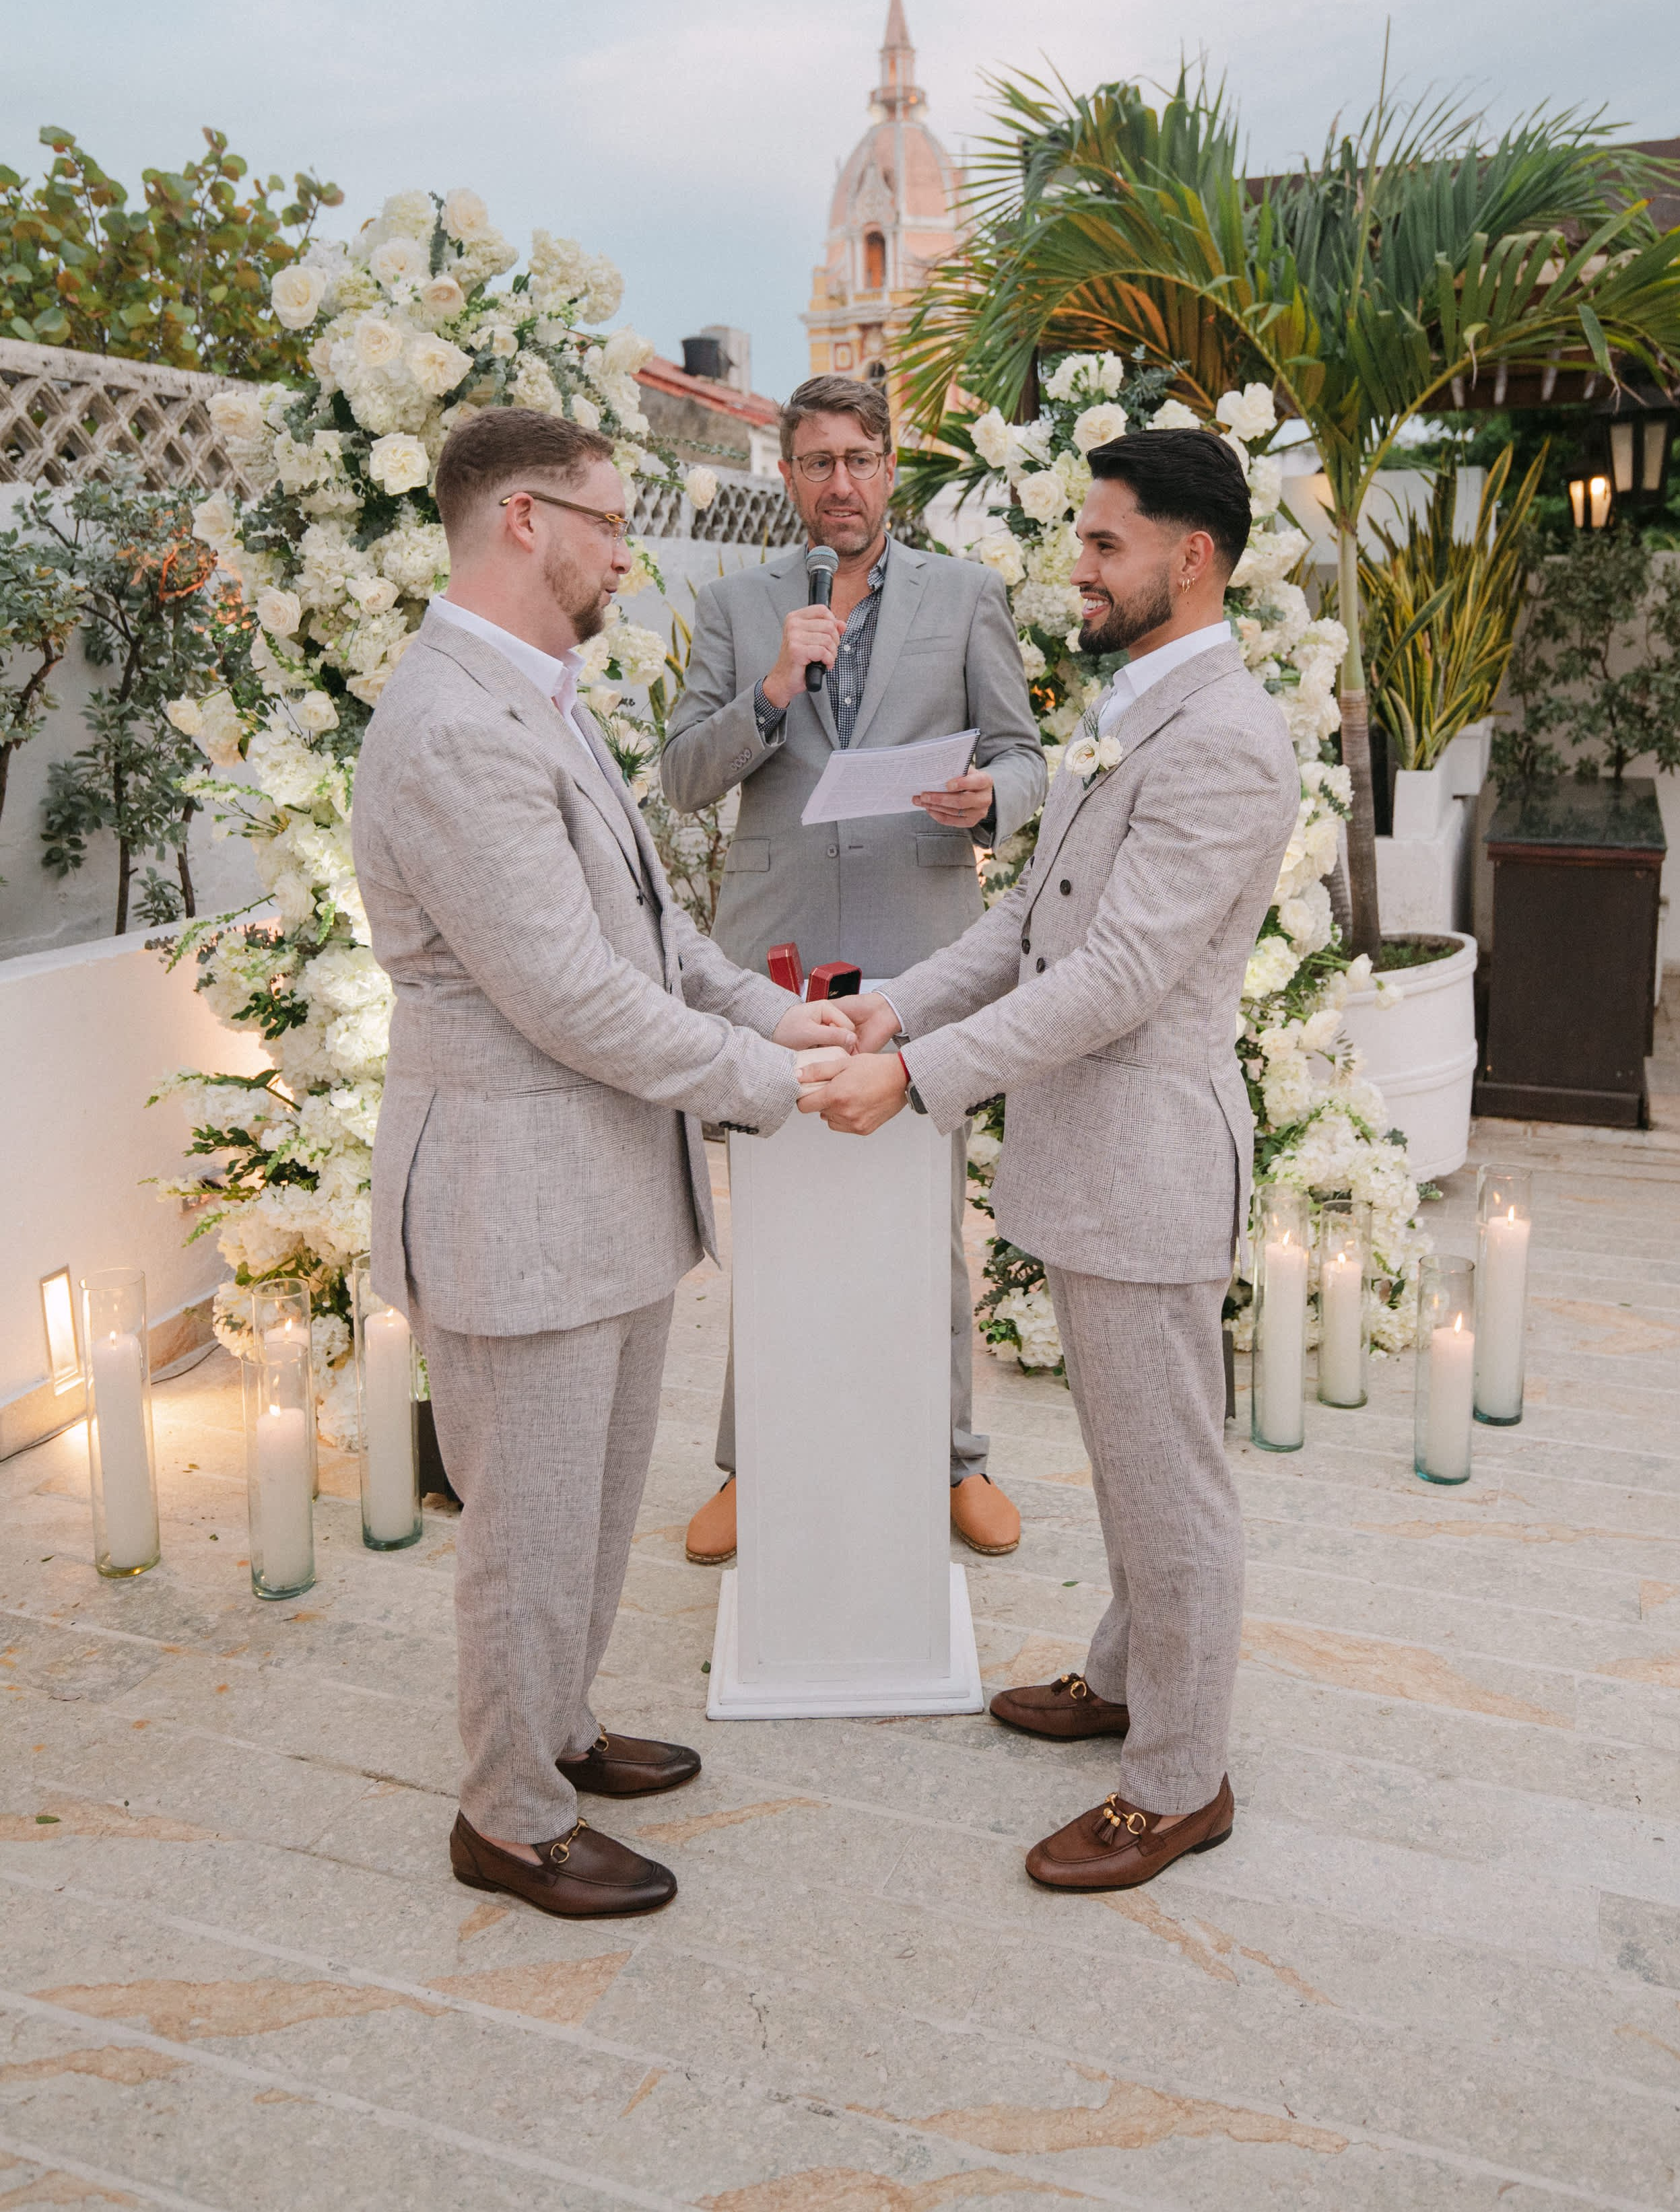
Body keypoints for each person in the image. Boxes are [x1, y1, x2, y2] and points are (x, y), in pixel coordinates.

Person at [352, 411, 854, 1923]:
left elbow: (654, 932)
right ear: (521, 518)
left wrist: (789, 1018)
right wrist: (777, 1084)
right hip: (516, 1195)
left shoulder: (544, 697)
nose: (629, 550)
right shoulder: (448, 724)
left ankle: (562, 1725)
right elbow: (567, 992)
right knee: (525, 1529)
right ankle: (507, 1816)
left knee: (591, 1500)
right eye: (609, 519)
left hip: (606, 1187)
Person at [803, 427, 1300, 1894]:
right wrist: (898, 1001)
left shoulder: (1224, 737)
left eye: (1102, 544)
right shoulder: (1135, 709)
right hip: (1095, 1156)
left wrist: (912, 1081)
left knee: (1170, 1482)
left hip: (1145, 1159)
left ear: (1188, 557)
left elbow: (1116, 979)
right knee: (1132, 1460)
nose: (1074, 566)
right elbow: (1030, 933)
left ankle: (1178, 1776)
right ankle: (1128, 1678)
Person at [660, 371, 1047, 1566]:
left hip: (920, 946)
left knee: (925, 1222)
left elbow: (1026, 755)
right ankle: (751, 1461)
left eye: (861, 460)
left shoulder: (968, 595)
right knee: (775, 1213)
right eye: (818, 462)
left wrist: (992, 799)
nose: (842, 483)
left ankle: (949, 1459)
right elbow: (681, 779)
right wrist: (773, 691)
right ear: (787, 475)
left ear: (892, 470)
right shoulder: (733, 607)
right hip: (774, 969)